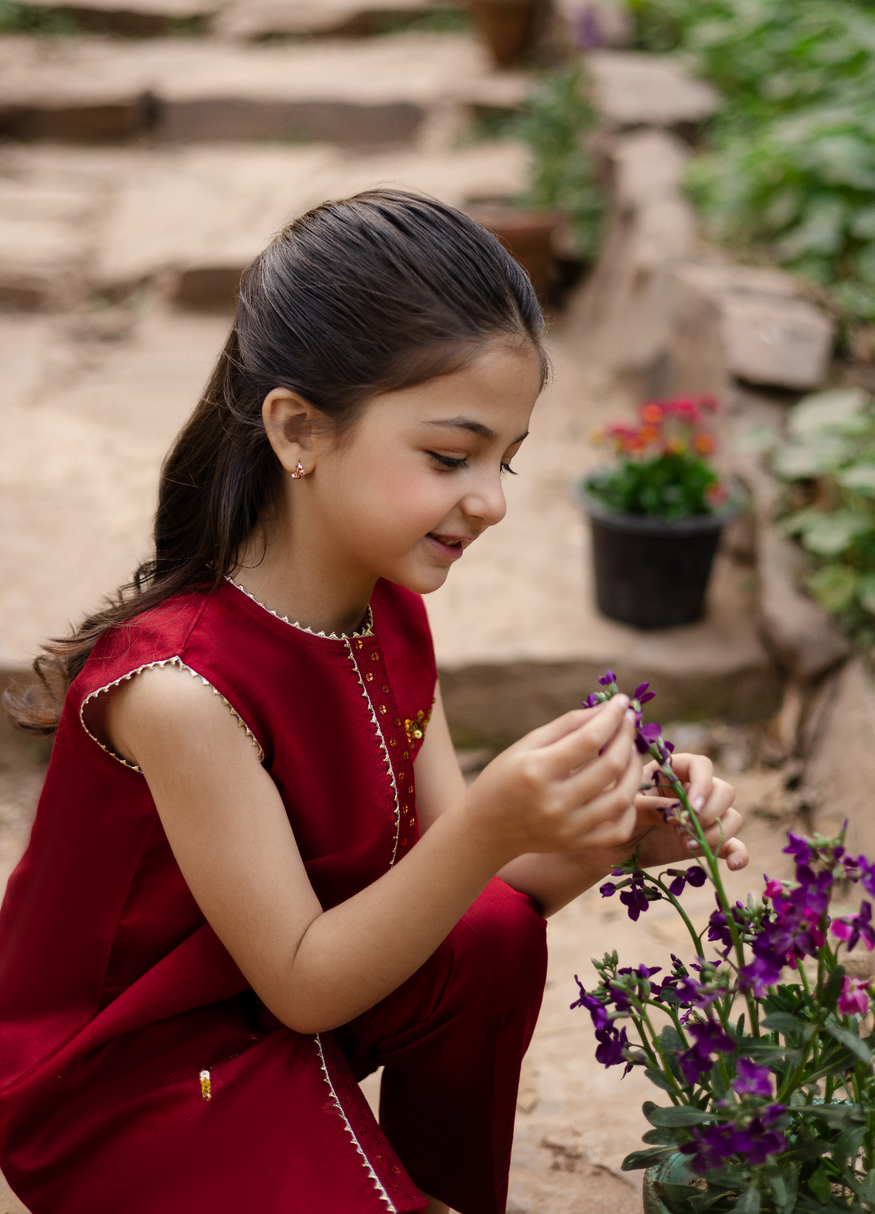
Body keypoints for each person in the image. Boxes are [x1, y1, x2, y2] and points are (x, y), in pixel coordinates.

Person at [0, 189, 746, 1214]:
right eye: (451, 455)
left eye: (506, 458)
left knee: (487, 930)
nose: (490, 498)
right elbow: (305, 978)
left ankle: (431, 1187)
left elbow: (475, 880)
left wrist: (618, 829)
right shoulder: (179, 686)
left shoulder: (386, 613)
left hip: (269, 1023)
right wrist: (493, 819)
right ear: (298, 429)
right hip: (134, 1081)